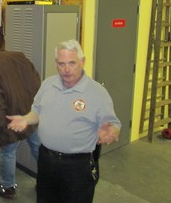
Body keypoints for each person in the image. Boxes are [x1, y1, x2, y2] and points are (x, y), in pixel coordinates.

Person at [7, 39, 121, 203]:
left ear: (82, 62)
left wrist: (111, 131)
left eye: (72, 63)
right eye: (61, 64)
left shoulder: (97, 92)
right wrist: (25, 119)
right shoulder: (48, 84)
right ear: (56, 64)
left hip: (78, 166)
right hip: (46, 159)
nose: (67, 69)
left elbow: (113, 123)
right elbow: (37, 111)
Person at [0, 37, 41, 200]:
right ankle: (47, 181)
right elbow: (36, 79)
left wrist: (1, 126)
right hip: (29, 113)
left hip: (11, 118)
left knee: (8, 152)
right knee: (38, 148)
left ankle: (8, 187)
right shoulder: (18, 56)